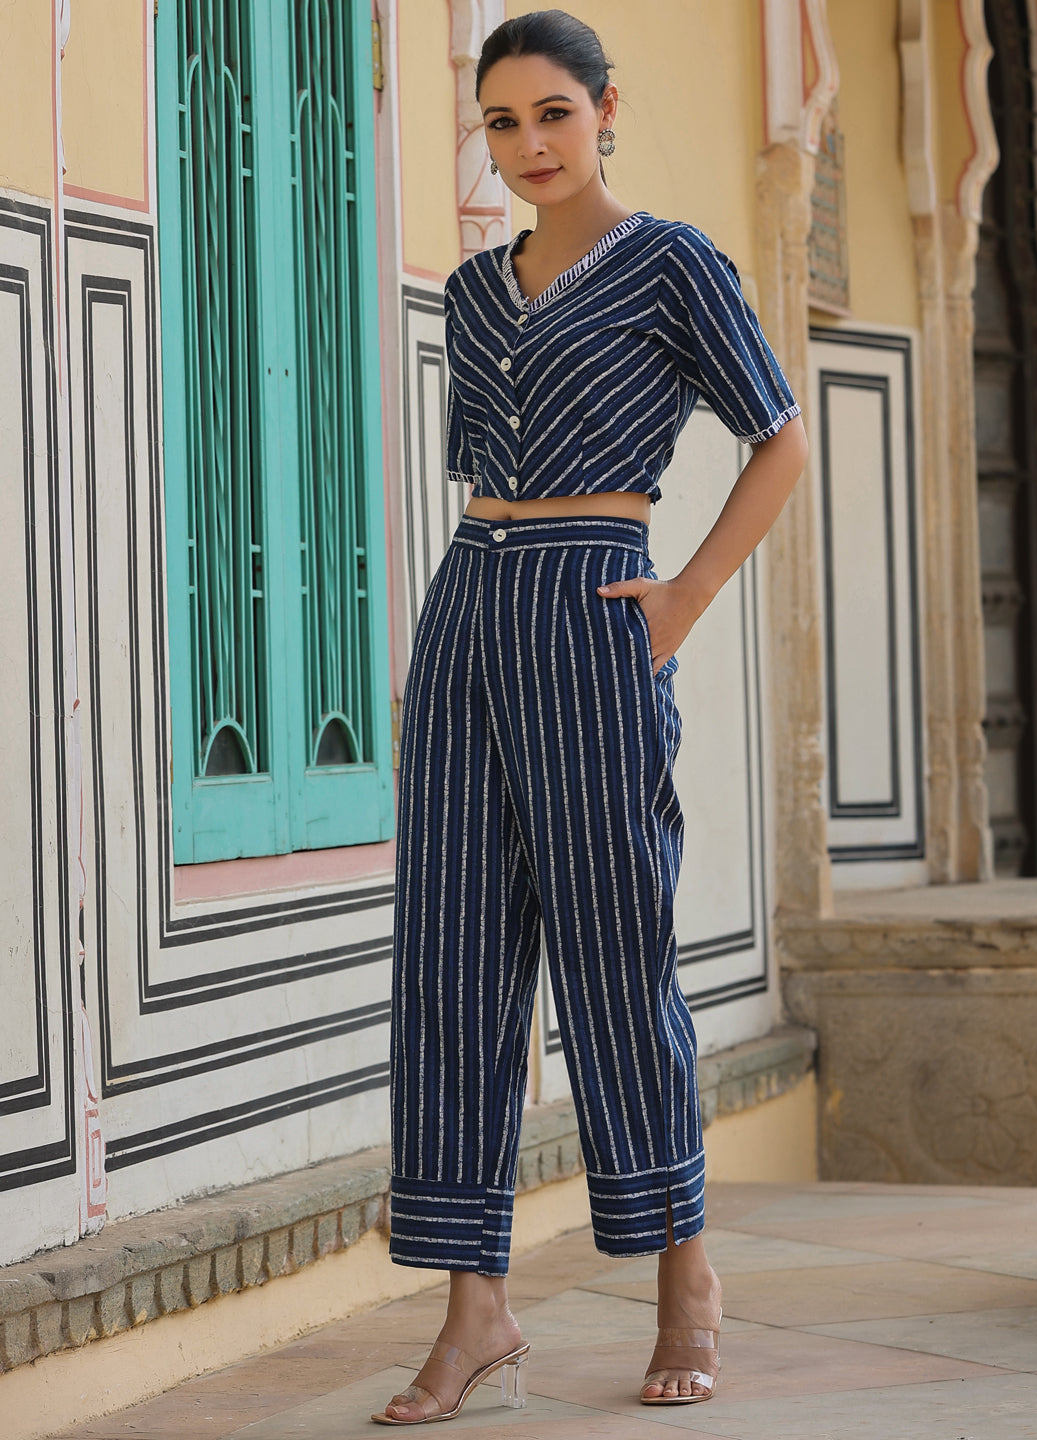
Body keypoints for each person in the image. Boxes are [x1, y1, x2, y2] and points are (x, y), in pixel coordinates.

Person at [372, 9, 808, 1427]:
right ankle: (474, 1309)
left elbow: (781, 437)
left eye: (553, 114)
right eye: (502, 123)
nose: (529, 145)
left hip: (596, 603)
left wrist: (686, 596)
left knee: (616, 947)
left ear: (605, 111)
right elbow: (481, 474)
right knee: (450, 957)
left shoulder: (675, 263)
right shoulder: (475, 290)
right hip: (470, 604)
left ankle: (686, 1274)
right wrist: (452, 637)